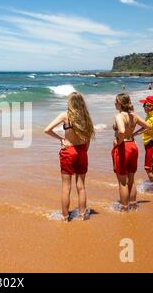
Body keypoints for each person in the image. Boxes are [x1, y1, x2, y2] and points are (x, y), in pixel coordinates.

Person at [44, 92, 95, 222]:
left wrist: (61, 139)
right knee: (81, 186)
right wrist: (84, 151)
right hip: (82, 150)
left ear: (70, 103)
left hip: (69, 151)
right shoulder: (85, 116)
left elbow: (47, 129)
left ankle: (65, 217)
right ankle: (83, 215)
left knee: (66, 187)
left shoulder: (66, 116)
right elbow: (88, 136)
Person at [112, 94, 151, 211]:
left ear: (120, 103)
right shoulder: (134, 116)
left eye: (116, 102)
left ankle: (124, 208)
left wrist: (118, 141)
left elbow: (122, 130)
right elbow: (147, 126)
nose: (114, 104)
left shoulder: (119, 116)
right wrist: (134, 134)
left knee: (122, 182)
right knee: (131, 179)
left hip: (123, 147)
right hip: (133, 146)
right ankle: (133, 205)